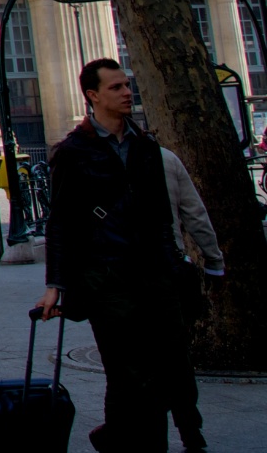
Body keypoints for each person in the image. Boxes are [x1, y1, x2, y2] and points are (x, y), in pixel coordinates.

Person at [38, 58, 189, 453]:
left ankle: (131, 440)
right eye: (116, 87)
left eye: (127, 85)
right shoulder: (73, 152)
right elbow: (60, 222)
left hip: (154, 274)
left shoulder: (145, 146)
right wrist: (56, 284)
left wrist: (173, 265)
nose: (127, 93)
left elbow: (161, 216)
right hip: (106, 278)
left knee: (163, 371)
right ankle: (126, 442)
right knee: (127, 373)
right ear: (93, 96)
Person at [159, 145, 221, 451]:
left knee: (136, 363)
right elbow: (195, 214)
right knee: (175, 357)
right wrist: (214, 262)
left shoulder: (91, 155)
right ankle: (189, 429)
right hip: (167, 269)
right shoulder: (164, 158)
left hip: (125, 278)